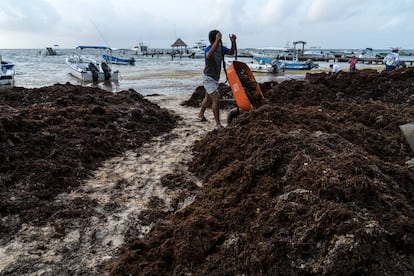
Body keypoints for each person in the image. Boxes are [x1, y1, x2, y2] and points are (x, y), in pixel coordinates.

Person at [198, 30, 237, 128]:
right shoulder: (208, 49)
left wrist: (233, 41)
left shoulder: (220, 48)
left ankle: (200, 114)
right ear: (214, 39)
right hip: (208, 77)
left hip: (215, 78)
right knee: (216, 97)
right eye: (218, 38)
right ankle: (218, 124)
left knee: (207, 99)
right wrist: (217, 40)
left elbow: (232, 52)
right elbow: (209, 56)